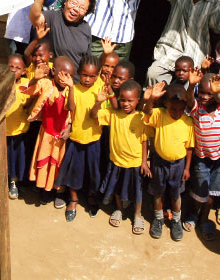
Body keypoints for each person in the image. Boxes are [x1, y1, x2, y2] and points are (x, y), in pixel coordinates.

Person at [147, 0, 220, 85]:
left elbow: (217, 30)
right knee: (153, 74)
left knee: (188, 88)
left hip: (196, 54)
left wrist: (214, 59)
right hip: (170, 49)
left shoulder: (213, 0)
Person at [184, 70, 220, 237]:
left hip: (219, 159)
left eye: (209, 93)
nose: (204, 96)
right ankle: (192, 215)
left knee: (212, 194)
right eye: (202, 92)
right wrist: (191, 85)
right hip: (201, 158)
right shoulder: (197, 108)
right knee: (198, 192)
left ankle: (204, 220)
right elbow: (190, 99)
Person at [143, 82, 195, 241]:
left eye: (180, 109)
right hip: (159, 162)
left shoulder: (187, 122)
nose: (177, 112)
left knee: (176, 193)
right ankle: (158, 218)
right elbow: (146, 112)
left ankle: (176, 220)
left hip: (178, 165)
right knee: (158, 192)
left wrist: (186, 168)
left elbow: (189, 148)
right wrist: (151, 99)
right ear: (166, 104)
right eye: (173, 108)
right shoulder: (159, 114)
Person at [97, 78, 150, 234]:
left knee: (137, 191)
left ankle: (138, 215)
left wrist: (144, 161)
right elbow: (94, 115)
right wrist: (101, 98)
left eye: (130, 101)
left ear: (138, 101)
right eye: (123, 100)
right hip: (116, 162)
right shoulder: (113, 115)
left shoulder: (140, 117)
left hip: (134, 163)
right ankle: (119, 209)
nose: (126, 104)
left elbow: (144, 140)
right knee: (118, 189)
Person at [55, 55, 105, 221]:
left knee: (93, 173)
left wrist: (98, 103)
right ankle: (74, 200)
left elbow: (93, 116)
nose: (88, 79)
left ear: (97, 76)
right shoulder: (73, 88)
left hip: (93, 140)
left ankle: (91, 197)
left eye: (92, 76)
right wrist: (71, 88)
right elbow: (70, 108)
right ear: (78, 73)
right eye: (84, 75)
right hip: (76, 140)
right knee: (73, 173)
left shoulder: (100, 88)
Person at [26, 56, 75, 193]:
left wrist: (71, 88)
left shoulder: (70, 90)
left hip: (60, 135)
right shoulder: (46, 84)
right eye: (63, 74)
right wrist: (35, 79)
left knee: (56, 162)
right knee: (43, 159)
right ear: (53, 71)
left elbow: (71, 108)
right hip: (46, 132)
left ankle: (55, 189)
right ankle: (42, 188)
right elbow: (29, 91)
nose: (66, 78)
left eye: (70, 76)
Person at [29, 0, 96, 71]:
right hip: (55, 80)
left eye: (82, 8)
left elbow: (87, 58)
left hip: (76, 82)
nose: (76, 9)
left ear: (86, 12)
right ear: (66, 1)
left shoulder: (86, 27)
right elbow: (35, 19)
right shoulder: (52, 17)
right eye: (74, 3)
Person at [5, 54, 33, 200]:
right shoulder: (0, 83)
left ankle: (16, 181)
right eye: (11, 67)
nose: (13, 70)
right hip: (3, 131)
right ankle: (10, 180)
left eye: (17, 68)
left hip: (20, 130)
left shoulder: (26, 84)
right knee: (7, 159)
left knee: (19, 158)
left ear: (23, 71)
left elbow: (30, 104)